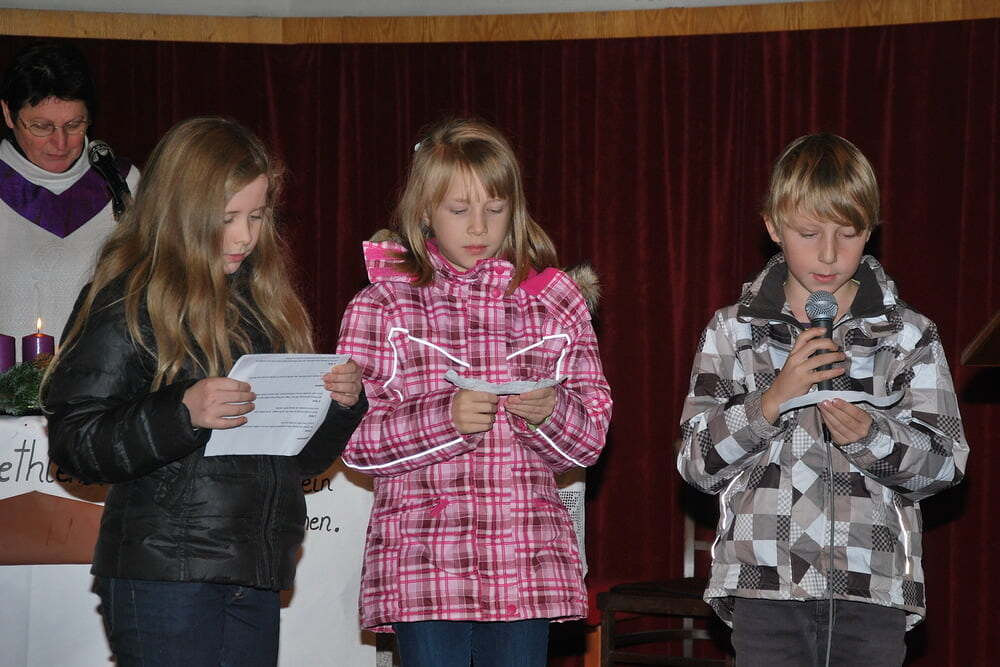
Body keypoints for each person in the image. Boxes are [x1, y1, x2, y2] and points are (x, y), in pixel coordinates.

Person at [42, 116, 367, 667]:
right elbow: (75, 443)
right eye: (226, 219)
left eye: (257, 216)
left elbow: (296, 461)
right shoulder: (127, 300)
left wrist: (338, 407)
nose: (244, 237)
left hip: (254, 572)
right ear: (180, 212)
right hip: (164, 577)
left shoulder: (266, 305)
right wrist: (182, 412)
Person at [676, 133, 969, 666]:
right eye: (808, 233)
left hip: (871, 583)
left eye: (848, 234)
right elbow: (695, 463)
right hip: (764, 582)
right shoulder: (733, 331)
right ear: (773, 227)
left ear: (870, 230)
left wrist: (872, 437)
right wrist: (770, 402)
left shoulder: (907, 334)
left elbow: (946, 465)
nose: (829, 254)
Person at [336, 118, 612, 666]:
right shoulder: (383, 304)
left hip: (523, 560)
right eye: (459, 210)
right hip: (424, 561)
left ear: (516, 209)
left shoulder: (555, 301)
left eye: (495, 208)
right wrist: (446, 418)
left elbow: (590, 441)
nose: (479, 227)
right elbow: (355, 442)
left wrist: (550, 412)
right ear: (424, 211)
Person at [0, 40, 139, 344]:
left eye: (74, 125)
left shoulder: (123, 184)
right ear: (8, 114)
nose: (60, 143)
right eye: (41, 126)